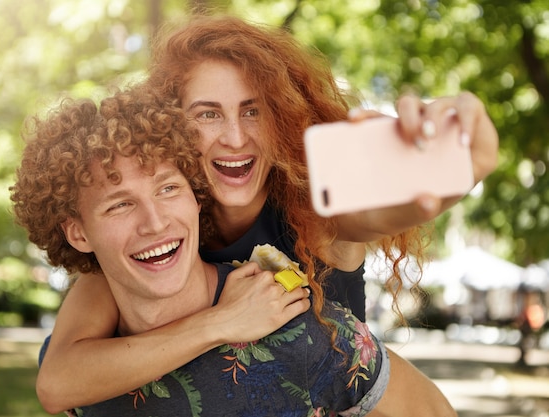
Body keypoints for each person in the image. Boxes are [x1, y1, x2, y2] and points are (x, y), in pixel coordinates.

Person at [34, 14, 498, 413]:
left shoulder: (312, 208)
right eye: (208, 114)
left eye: (253, 111)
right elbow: (59, 380)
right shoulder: (143, 239)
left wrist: (449, 163)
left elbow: (382, 206)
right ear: (171, 129)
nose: (236, 137)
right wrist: (222, 323)